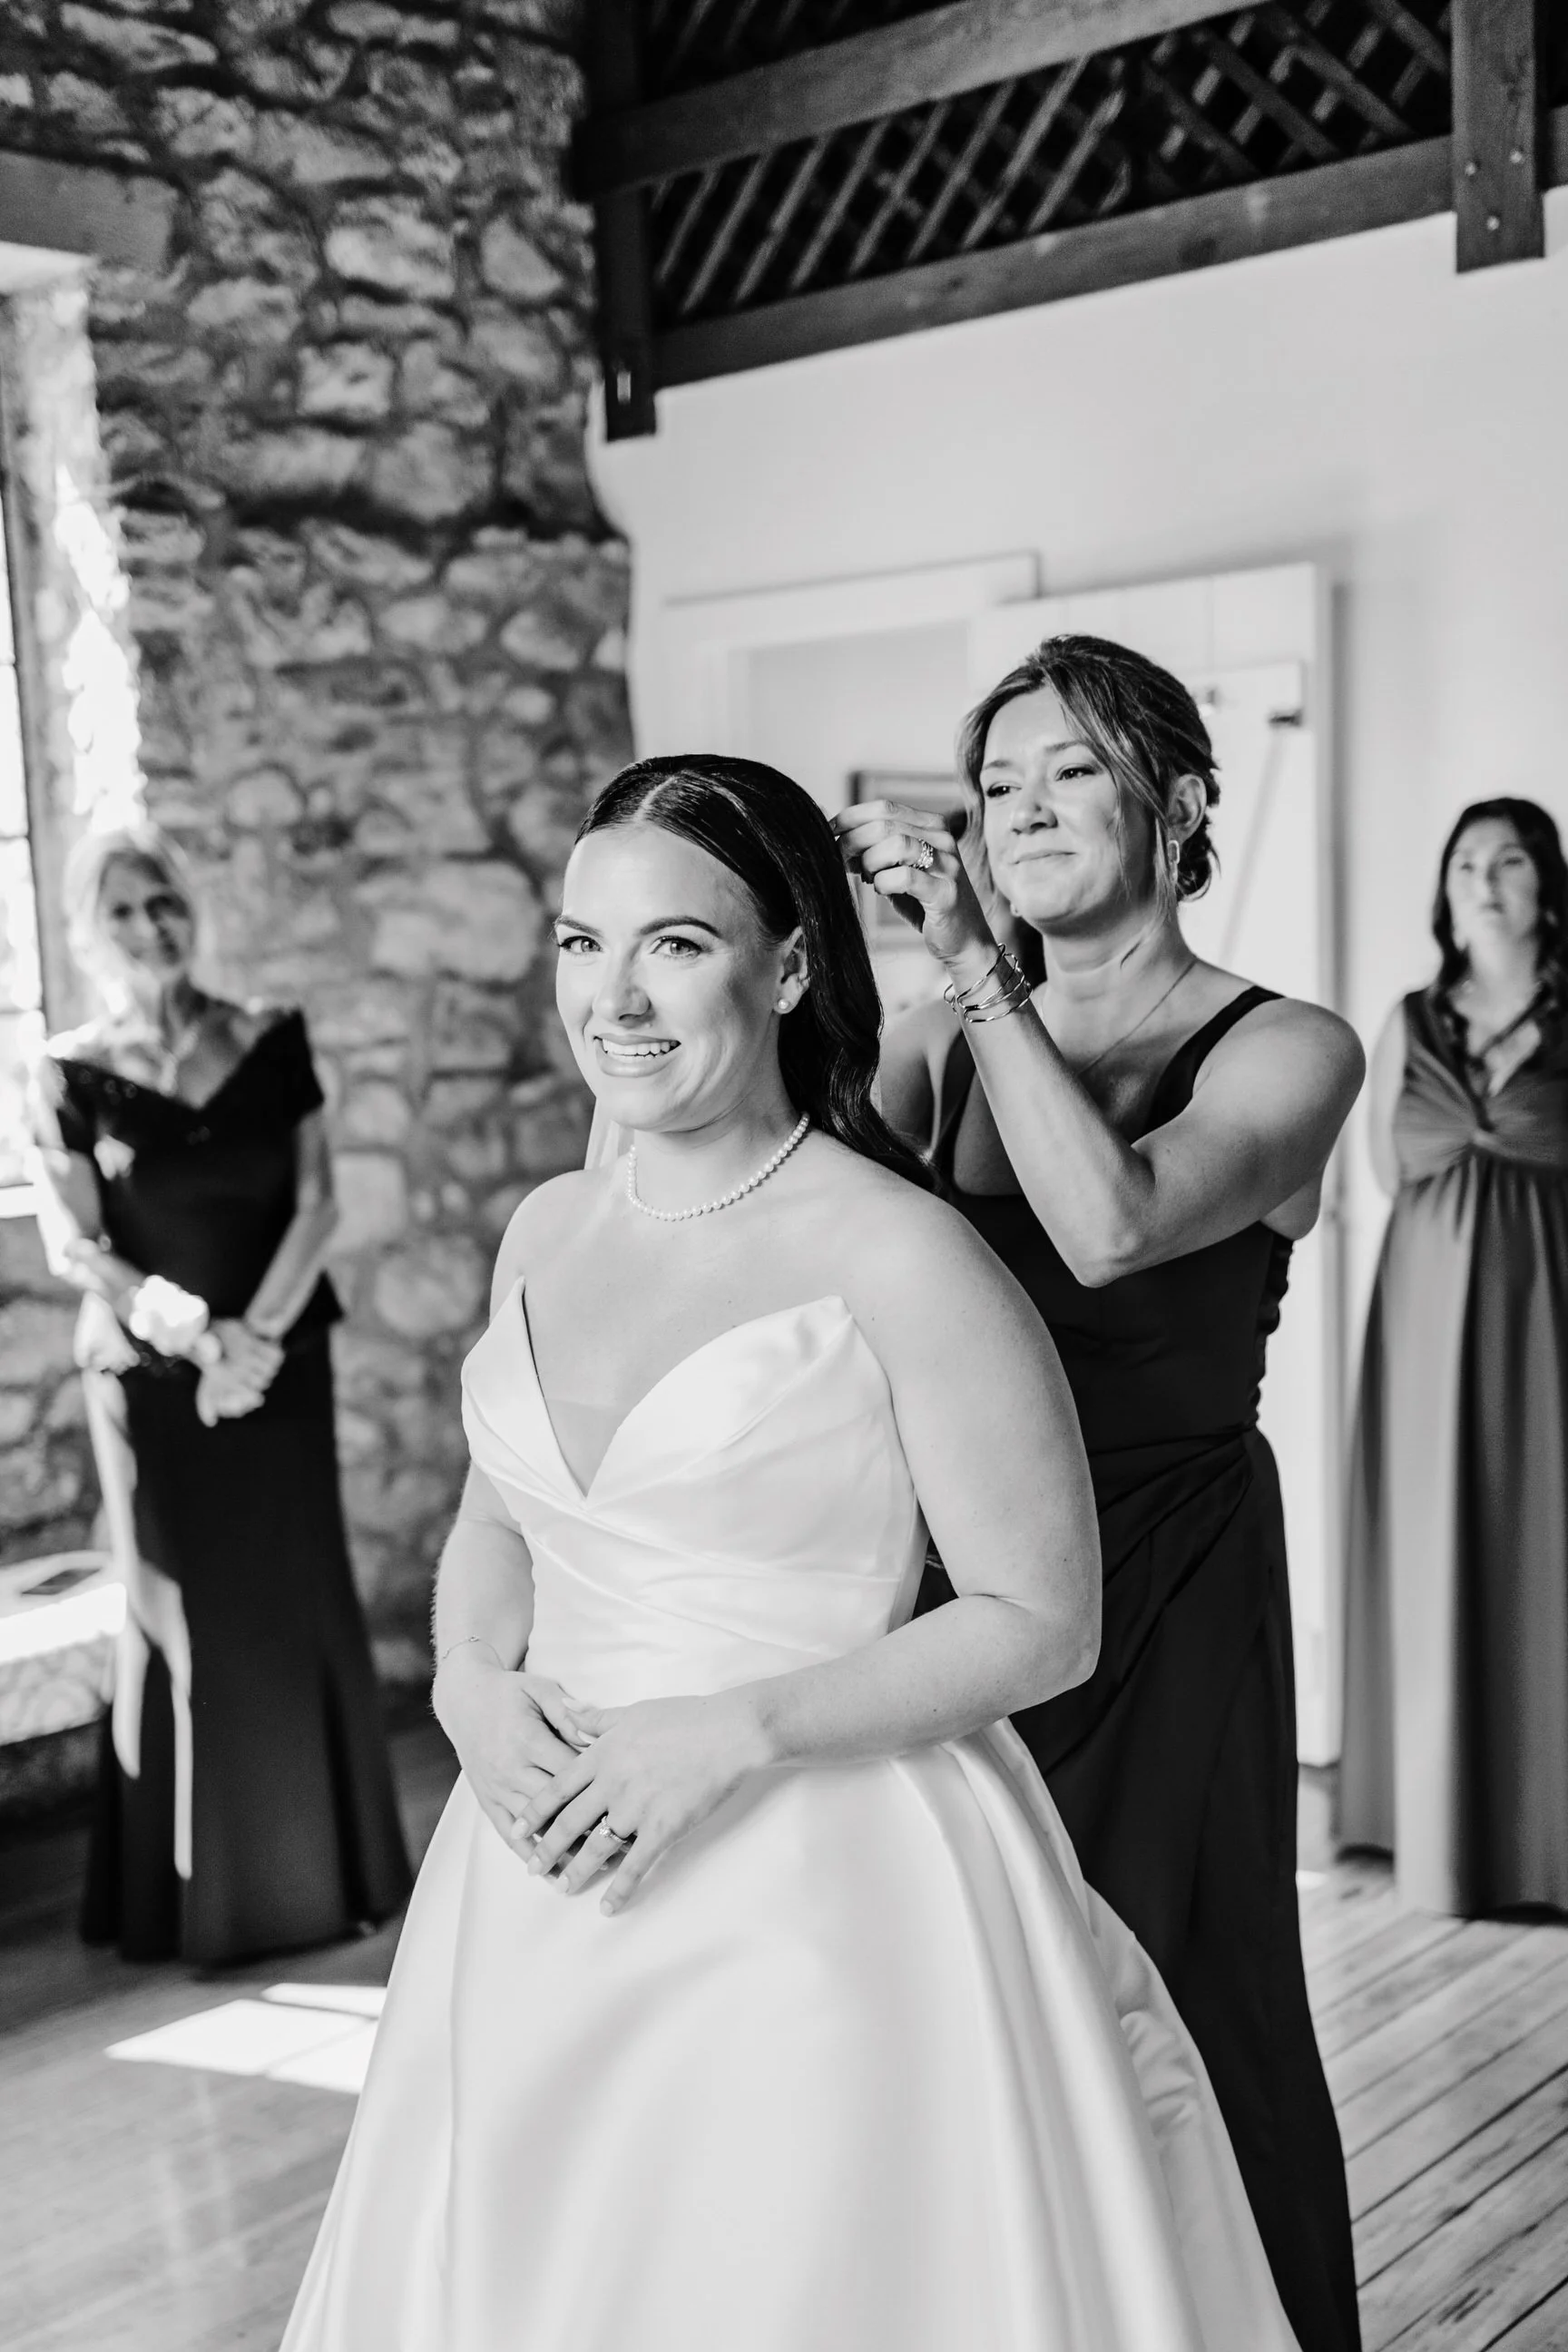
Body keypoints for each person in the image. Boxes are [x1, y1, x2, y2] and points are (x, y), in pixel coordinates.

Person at [282, 756, 1298, 2352]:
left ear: (788, 967)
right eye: (581, 943)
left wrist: (734, 1730)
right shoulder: (548, 1226)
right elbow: (498, 1521)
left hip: (825, 1889)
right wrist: (470, 1678)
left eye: (674, 944)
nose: (614, 997)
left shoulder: (899, 1248)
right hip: (536, 1869)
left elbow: (1045, 1619)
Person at [836, 636, 1364, 2352]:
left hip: (1170, 1582)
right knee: (971, 1990)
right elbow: (805, 1262)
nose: (1025, 809)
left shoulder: (1290, 1048)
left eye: (1071, 770)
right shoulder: (928, 1046)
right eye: (998, 784)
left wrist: (974, 972)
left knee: (1181, 1994)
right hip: (968, 1593)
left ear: (1181, 801)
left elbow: (1112, 1224)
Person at [30, 823, 410, 1965]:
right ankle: (189, 1901)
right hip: (150, 1380)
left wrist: (256, 1343)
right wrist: (198, 1339)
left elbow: (317, 1202)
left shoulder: (270, 1038)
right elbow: (75, 1243)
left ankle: (330, 1877)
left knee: (296, 1595)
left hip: (282, 1364)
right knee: (182, 1616)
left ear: (192, 910)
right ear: (86, 933)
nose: (150, 927)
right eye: (123, 911)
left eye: (165, 902)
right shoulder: (64, 1072)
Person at [1341, 799, 1568, 1916]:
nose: (1484, 880)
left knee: (1546, 1543)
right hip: (1425, 1307)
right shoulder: (1409, 1018)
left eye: (1509, 861)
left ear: (1547, 888)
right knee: (1434, 1538)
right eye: (1466, 862)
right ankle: (1435, 1828)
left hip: (1550, 1307)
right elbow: (1387, 1170)